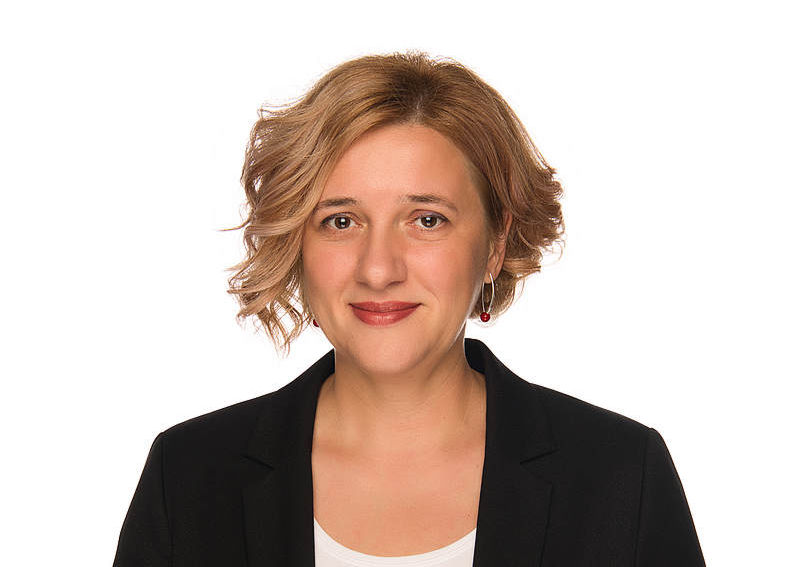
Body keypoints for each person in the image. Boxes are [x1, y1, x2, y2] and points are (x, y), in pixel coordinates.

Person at [113, 52, 705, 566]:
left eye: (426, 220)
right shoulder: (187, 477)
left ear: (495, 245)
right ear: (297, 243)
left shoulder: (622, 476)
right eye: (340, 221)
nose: (378, 269)